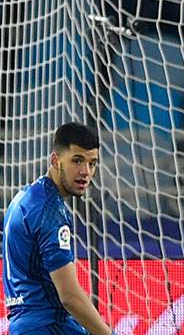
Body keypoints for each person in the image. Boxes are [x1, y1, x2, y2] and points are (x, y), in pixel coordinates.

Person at [1, 122, 114, 335]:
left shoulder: (25, 197)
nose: (85, 172)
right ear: (55, 160)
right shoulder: (51, 211)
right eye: (77, 161)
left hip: (23, 325)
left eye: (92, 163)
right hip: (47, 325)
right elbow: (70, 296)